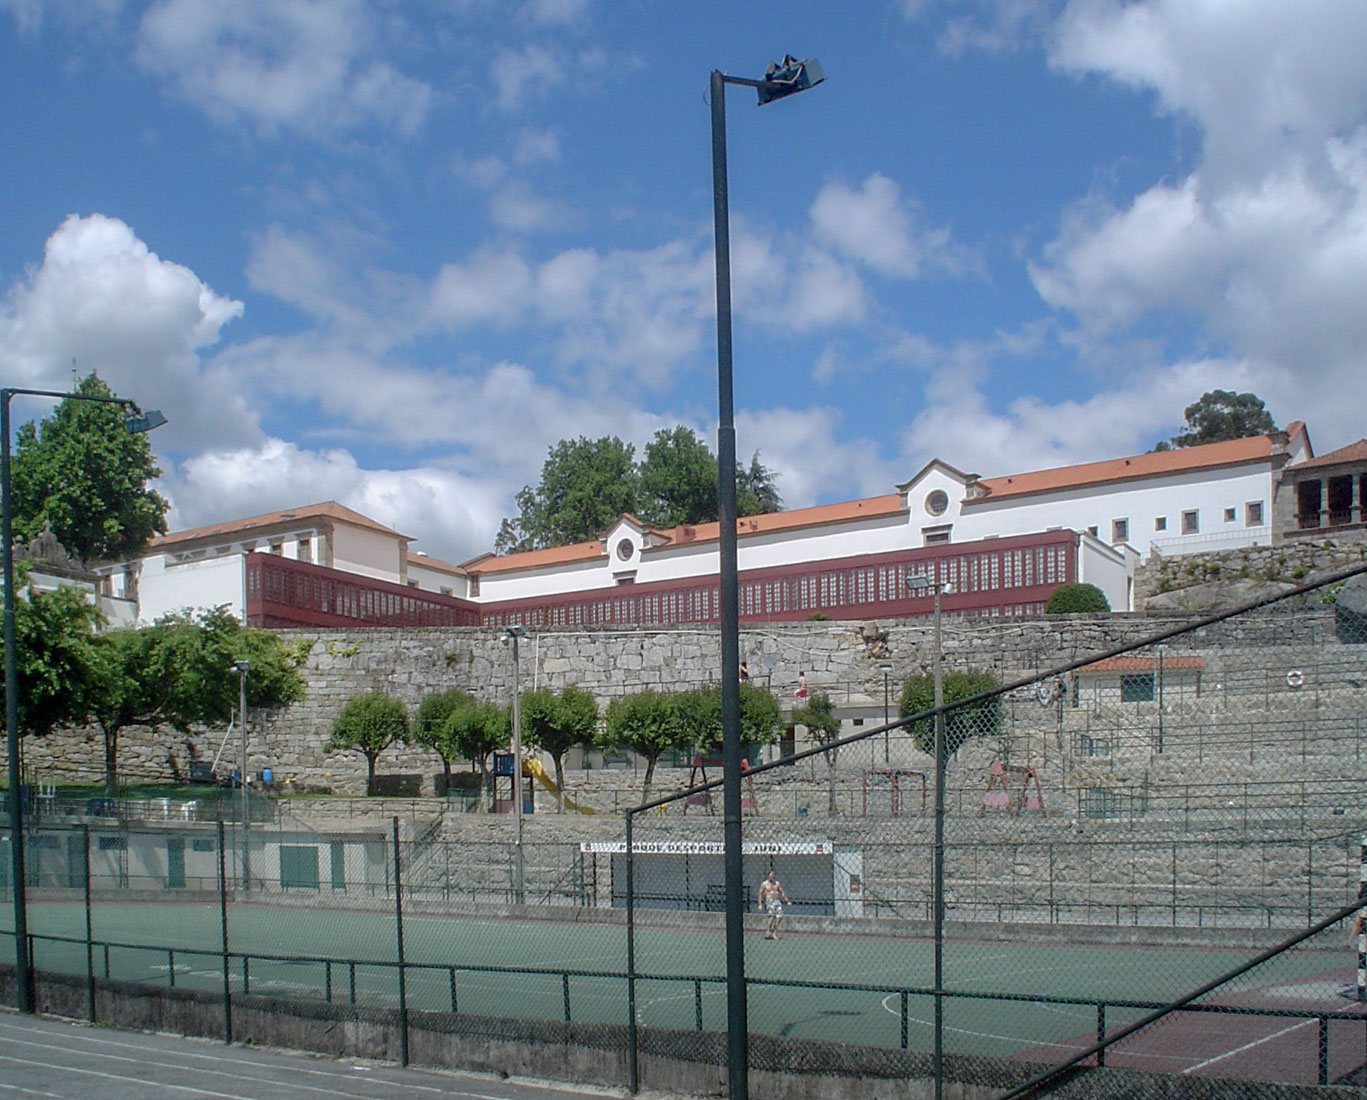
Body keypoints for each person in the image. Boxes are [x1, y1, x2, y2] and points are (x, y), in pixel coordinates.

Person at [757, 870, 790, 939]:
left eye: (773, 875)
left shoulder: (777, 884)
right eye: (771, 875)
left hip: (777, 901)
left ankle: (775, 933)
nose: (772, 876)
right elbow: (760, 894)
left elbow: (782, 892)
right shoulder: (764, 884)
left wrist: (787, 901)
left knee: (779, 916)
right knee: (772, 916)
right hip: (769, 901)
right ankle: (768, 931)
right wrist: (760, 904)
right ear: (768, 876)